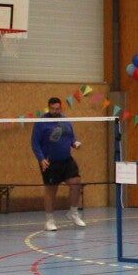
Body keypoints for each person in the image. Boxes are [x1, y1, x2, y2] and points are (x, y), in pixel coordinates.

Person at [31, 97, 86, 230]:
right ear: (49, 108)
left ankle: (73, 213)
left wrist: (75, 143)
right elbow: (35, 143)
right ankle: (49, 220)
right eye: (52, 109)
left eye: (57, 108)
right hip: (49, 162)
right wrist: (41, 159)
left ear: (60, 108)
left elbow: (71, 137)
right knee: (51, 190)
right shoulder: (41, 123)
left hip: (66, 159)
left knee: (76, 183)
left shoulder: (65, 121)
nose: (55, 111)